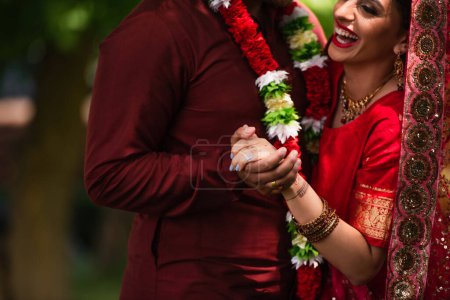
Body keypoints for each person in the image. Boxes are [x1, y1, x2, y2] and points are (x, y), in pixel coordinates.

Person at [83, 0, 326, 298]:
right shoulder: (160, 26)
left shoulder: (299, 25)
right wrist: (230, 167)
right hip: (194, 286)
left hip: (299, 283)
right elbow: (109, 174)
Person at [230, 0, 413, 298]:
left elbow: (362, 264)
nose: (341, 12)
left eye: (368, 8)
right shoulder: (329, 71)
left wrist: (288, 181)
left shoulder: (393, 125)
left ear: (405, 38)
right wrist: (248, 150)